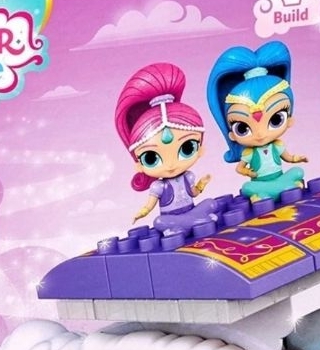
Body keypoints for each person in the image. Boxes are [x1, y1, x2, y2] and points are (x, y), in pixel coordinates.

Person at [115, 62, 217, 237]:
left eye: (187, 148)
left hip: (191, 212)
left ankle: (190, 223)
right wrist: (142, 212)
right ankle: (196, 222)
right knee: (159, 222)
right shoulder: (158, 186)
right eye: (151, 158)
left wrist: (201, 185)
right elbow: (150, 205)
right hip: (171, 218)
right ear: (139, 164)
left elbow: (193, 193)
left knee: (210, 203)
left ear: (200, 149)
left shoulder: (188, 177)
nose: (170, 165)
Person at [207, 41, 307, 202]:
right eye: (243, 128)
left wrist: (297, 158)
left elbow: (288, 158)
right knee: (248, 187)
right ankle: (278, 190)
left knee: (297, 171)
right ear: (231, 134)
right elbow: (240, 168)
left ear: (289, 120)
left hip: (280, 178)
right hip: (261, 184)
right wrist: (248, 172)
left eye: (275, 119)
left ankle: (274, 191)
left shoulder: (278, 146)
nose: (260, 134)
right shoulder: (249, 153)